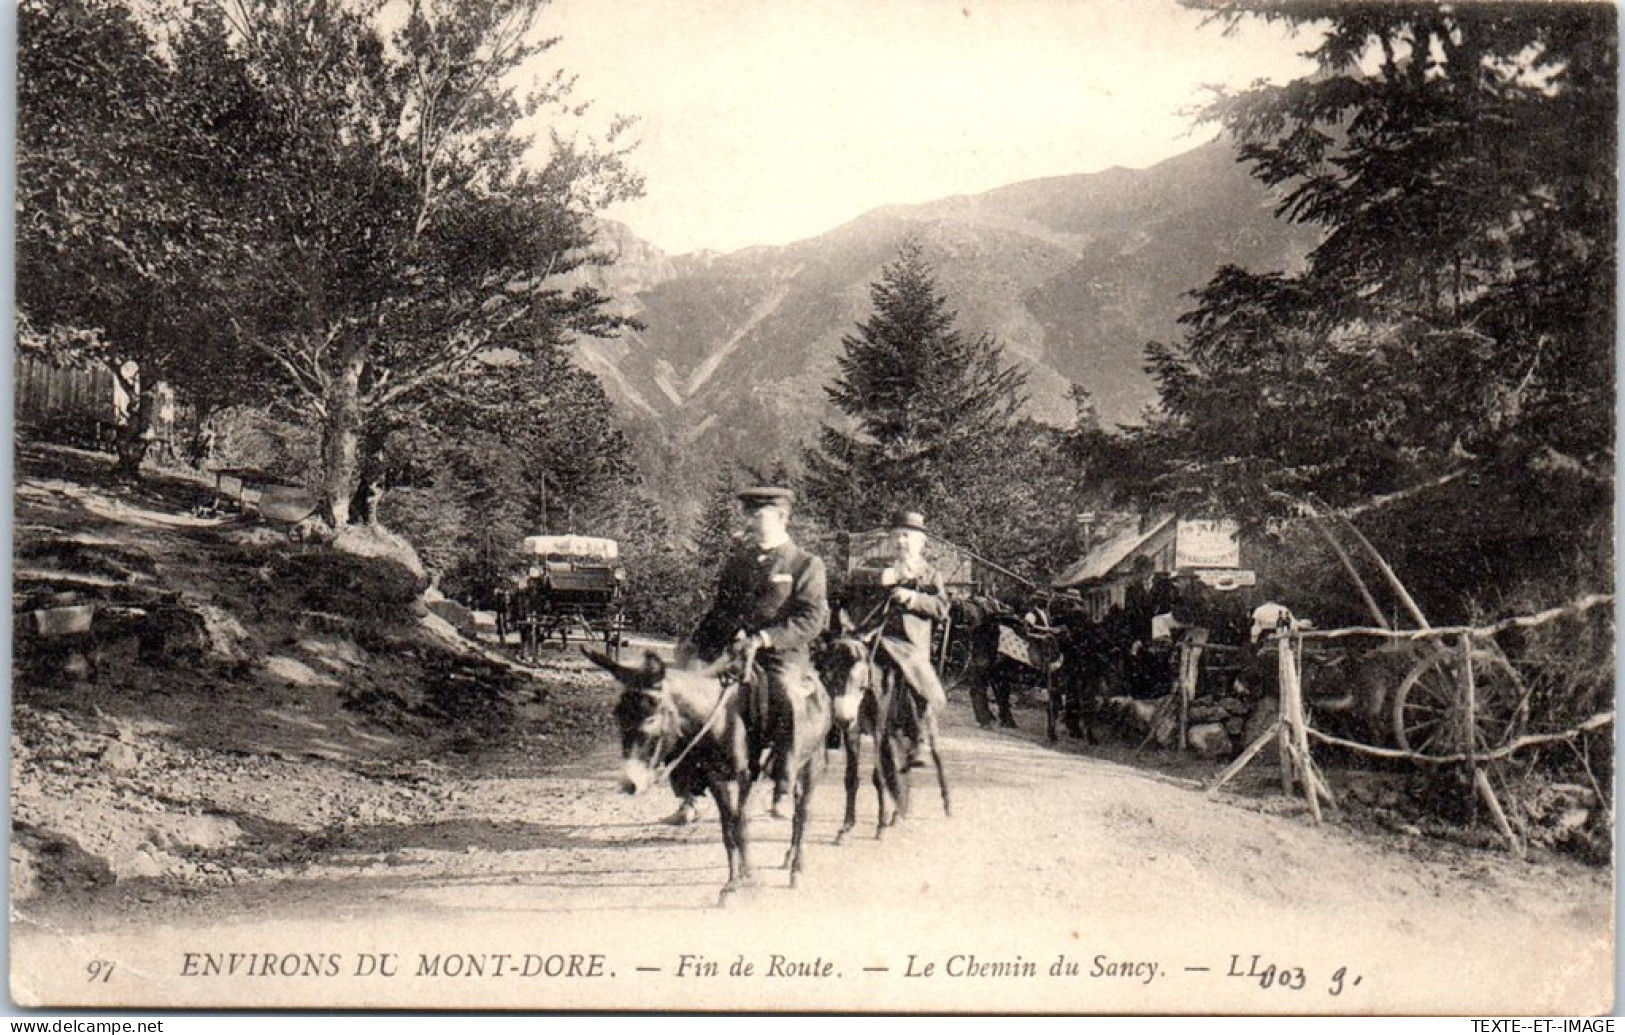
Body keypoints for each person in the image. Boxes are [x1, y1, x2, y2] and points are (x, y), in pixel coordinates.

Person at [678, 485, 829, 820]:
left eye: (757, 513)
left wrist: (765, 638)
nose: (750, 519)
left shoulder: (805, 563)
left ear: (780, 517)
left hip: (780, 656)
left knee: (788, 698)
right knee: (691, 699)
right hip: (734, 651)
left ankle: (784, 789)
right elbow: (720, 611)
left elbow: (811, 619)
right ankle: (692, 794)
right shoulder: (739, 562)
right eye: (747, 512)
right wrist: (695, 646)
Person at [850, 510, 950, 764]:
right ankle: (838, 724)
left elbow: (941, 607)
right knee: (843, 661)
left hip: (909, 643)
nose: (900, 542)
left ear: (921, 542)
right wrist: (882, 578)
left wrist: (913, 598)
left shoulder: (930, 574)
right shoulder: (878, 566)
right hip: (872, 635)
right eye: (896, 536)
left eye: (906, 536)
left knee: (917, 682)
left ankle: (920, 739)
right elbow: (852, 578)